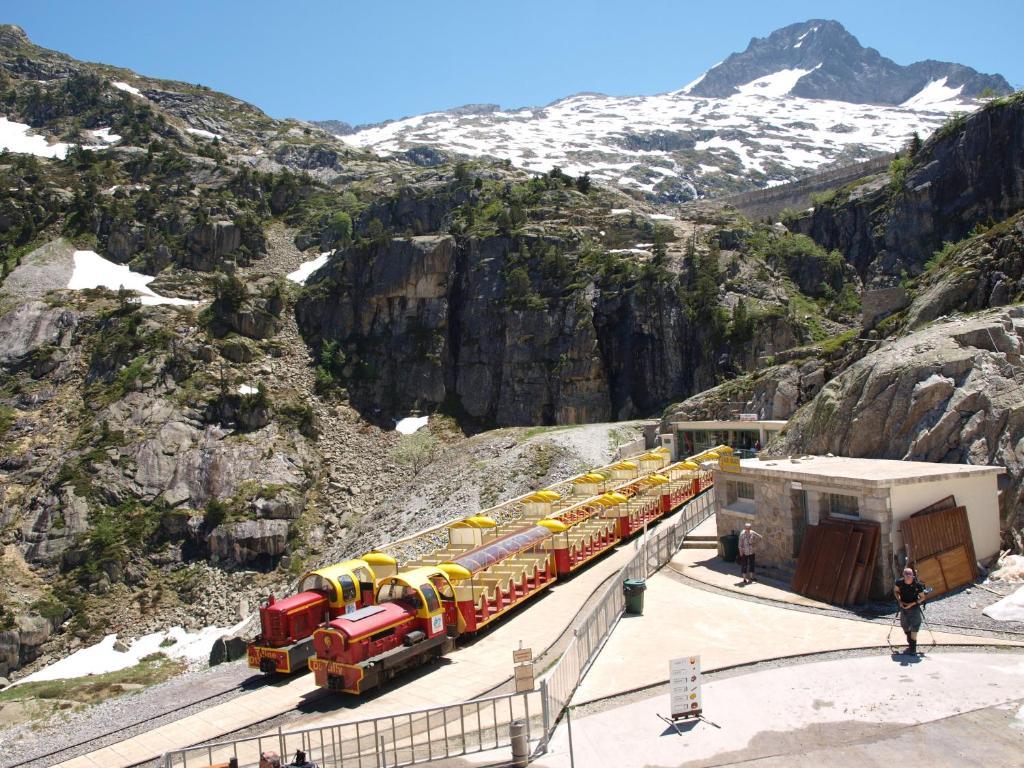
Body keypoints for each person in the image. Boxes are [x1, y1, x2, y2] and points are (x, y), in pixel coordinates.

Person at [893, 566, 927, 655]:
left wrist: (911, 604)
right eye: (906, 575)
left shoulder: (918, 585)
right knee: (904, 625)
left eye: (910, 575)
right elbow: (896, 591)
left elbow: (923, 597)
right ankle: (909, 637)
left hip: (914, 607)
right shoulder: (899, 582)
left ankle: (913, 649)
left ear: (913, 575)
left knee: (915, 626)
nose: (908, 577)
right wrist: (899, 601)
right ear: (903, 575)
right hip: (903, 606)